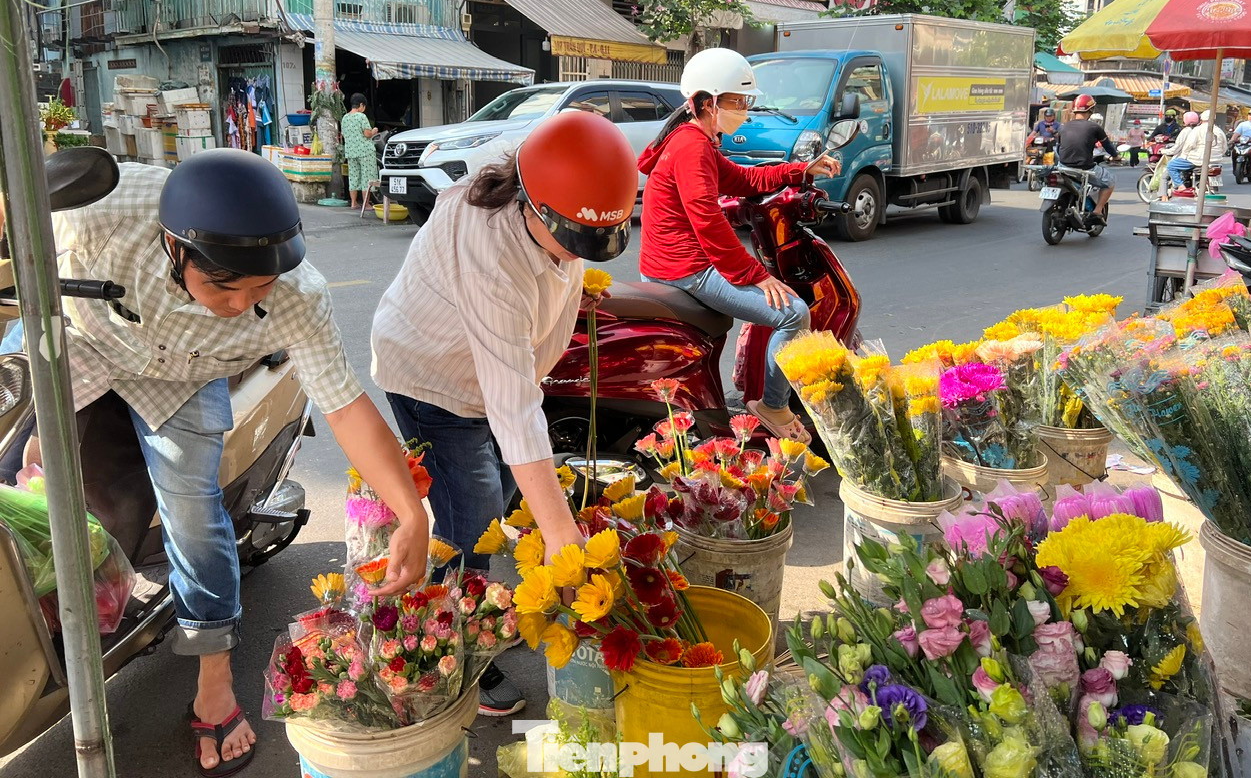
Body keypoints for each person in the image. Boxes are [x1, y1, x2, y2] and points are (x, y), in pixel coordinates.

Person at [0, 150, 430, 777]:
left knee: (193, 516)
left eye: (260, 288)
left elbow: (344, 404)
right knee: (14, 473)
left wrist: (410, 512)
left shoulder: (299, 296)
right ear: (175, 248)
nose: (241, 304)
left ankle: (215, 683)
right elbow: (19, 216)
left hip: (183, 379)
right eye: (224, 286)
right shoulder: (103, 211)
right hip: (84, 341)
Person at [370, 111, 637, 717]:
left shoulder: (551, 166)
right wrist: (562, 534)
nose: (577, 255)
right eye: (571, 239)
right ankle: (454, 651)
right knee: (472, 517)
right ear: (533, 207)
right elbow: (513, 409)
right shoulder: (490, 246)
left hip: (495, 373)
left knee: (505, 492)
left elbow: (517, 393)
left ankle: (476, 612)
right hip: (434, 376)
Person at [637, 49, 840, 443]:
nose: (744, 111)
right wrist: (755, 275)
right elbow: (707, 219)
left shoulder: (694, 140)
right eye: (738, 101)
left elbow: (743, 180)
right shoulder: (691, 146)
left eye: (745, 101)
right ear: (707, 103)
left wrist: (801, 170)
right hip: (685, 270)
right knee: (794, 313)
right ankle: (773, 406)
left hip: (674, 264)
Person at [1054, 94, 1119, 219]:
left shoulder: (1063, 127)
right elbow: (1108, 146)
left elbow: (1058, 148)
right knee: (1110, 181)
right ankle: (1098, 211)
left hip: (1063, 167)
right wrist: (1116, 156)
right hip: (1084, 168)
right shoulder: (1095, 127)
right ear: (1091, 109)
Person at [1164, 111, 1227, 197]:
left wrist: (1184, 155)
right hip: (1216, 162)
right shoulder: (1219, 131)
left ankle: (1180, 186)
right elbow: (1224, 148)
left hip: (1198, 160)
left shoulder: (1197, 130)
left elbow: (1189, 145)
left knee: (1171, 165)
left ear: (1201, 120)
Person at [341, 93, 379, 210]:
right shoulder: (361, 116)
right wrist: (374, 131)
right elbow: (367, 134)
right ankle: (366, 204)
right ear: (361, 105)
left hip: (351, 152)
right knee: (366, 177)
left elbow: (343, 135)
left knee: (353, 176)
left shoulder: (345, 118)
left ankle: (353, 202)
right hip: (365, 152)